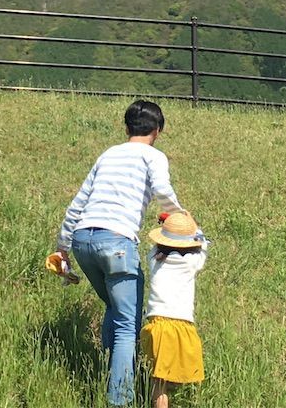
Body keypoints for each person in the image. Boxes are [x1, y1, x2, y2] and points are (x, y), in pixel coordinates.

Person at [56, 99, 184, 407]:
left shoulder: (109, 154)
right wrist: (182, 217)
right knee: (128, 325)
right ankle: (120, 400)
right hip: (117, 243)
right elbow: (162, 190)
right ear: (158, 130)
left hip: (83, 241)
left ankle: (106, 370)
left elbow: (78, 203)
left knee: (115, 307)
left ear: (126, 128)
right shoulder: (153, 156)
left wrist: (62, 248)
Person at [141, 211, 208, 408]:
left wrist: (167, 226)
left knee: (159, 380)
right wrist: (193, 225)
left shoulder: (154, 259)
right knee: (175, 375)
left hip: (157, 325)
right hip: (181, 325)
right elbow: (203, 244)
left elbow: (156, 245)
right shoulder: (191, 262)